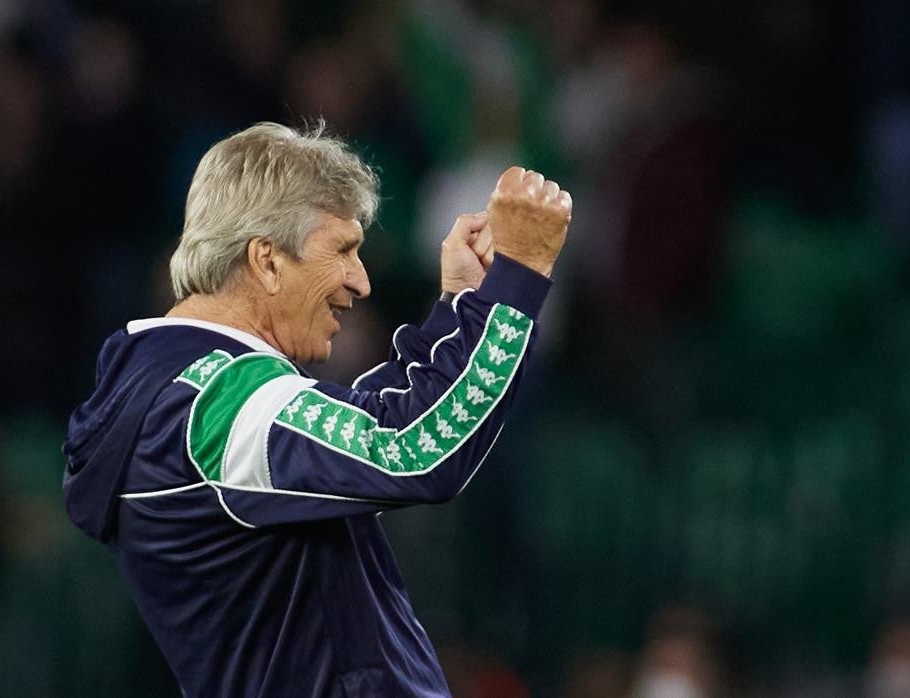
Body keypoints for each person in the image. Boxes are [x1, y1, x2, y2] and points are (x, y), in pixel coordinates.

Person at [61, 121, 571, 697]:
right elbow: (410, 449)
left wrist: (462, 307)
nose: (361, 282)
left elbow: (373, 417)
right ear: (267, 261)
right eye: (343, 251)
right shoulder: (216, 405)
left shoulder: (186, 391)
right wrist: (518, 277)